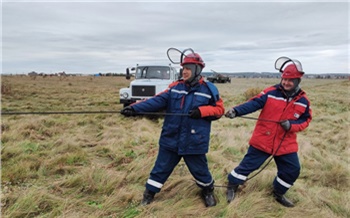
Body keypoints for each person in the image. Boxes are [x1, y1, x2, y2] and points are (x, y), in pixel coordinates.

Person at [121, 51, 225, 207]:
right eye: (183, 68)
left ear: (198, 69)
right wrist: (134, 108)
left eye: (188, 67)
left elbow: (219, 110)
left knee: (201, 170)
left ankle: (207, 191)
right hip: (171, 138)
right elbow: (156, 101)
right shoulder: (175, 87)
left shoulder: (209, 89)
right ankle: (149, 194)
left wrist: (202, 112)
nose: (184, 71)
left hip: (194, 140)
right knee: (160, 169)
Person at [225, 57, 312, 207]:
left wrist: (291, 126)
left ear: (298, 81)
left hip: (285, 144)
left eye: (290, 80)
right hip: (263, 140)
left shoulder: (303, 101)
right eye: (284, 79)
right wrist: (236, 111)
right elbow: (253, 103)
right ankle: (232, 185)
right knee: (248, 166)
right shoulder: (270, 92)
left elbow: (306, 120)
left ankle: (278, 193)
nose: (285, 83)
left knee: (292, 169)